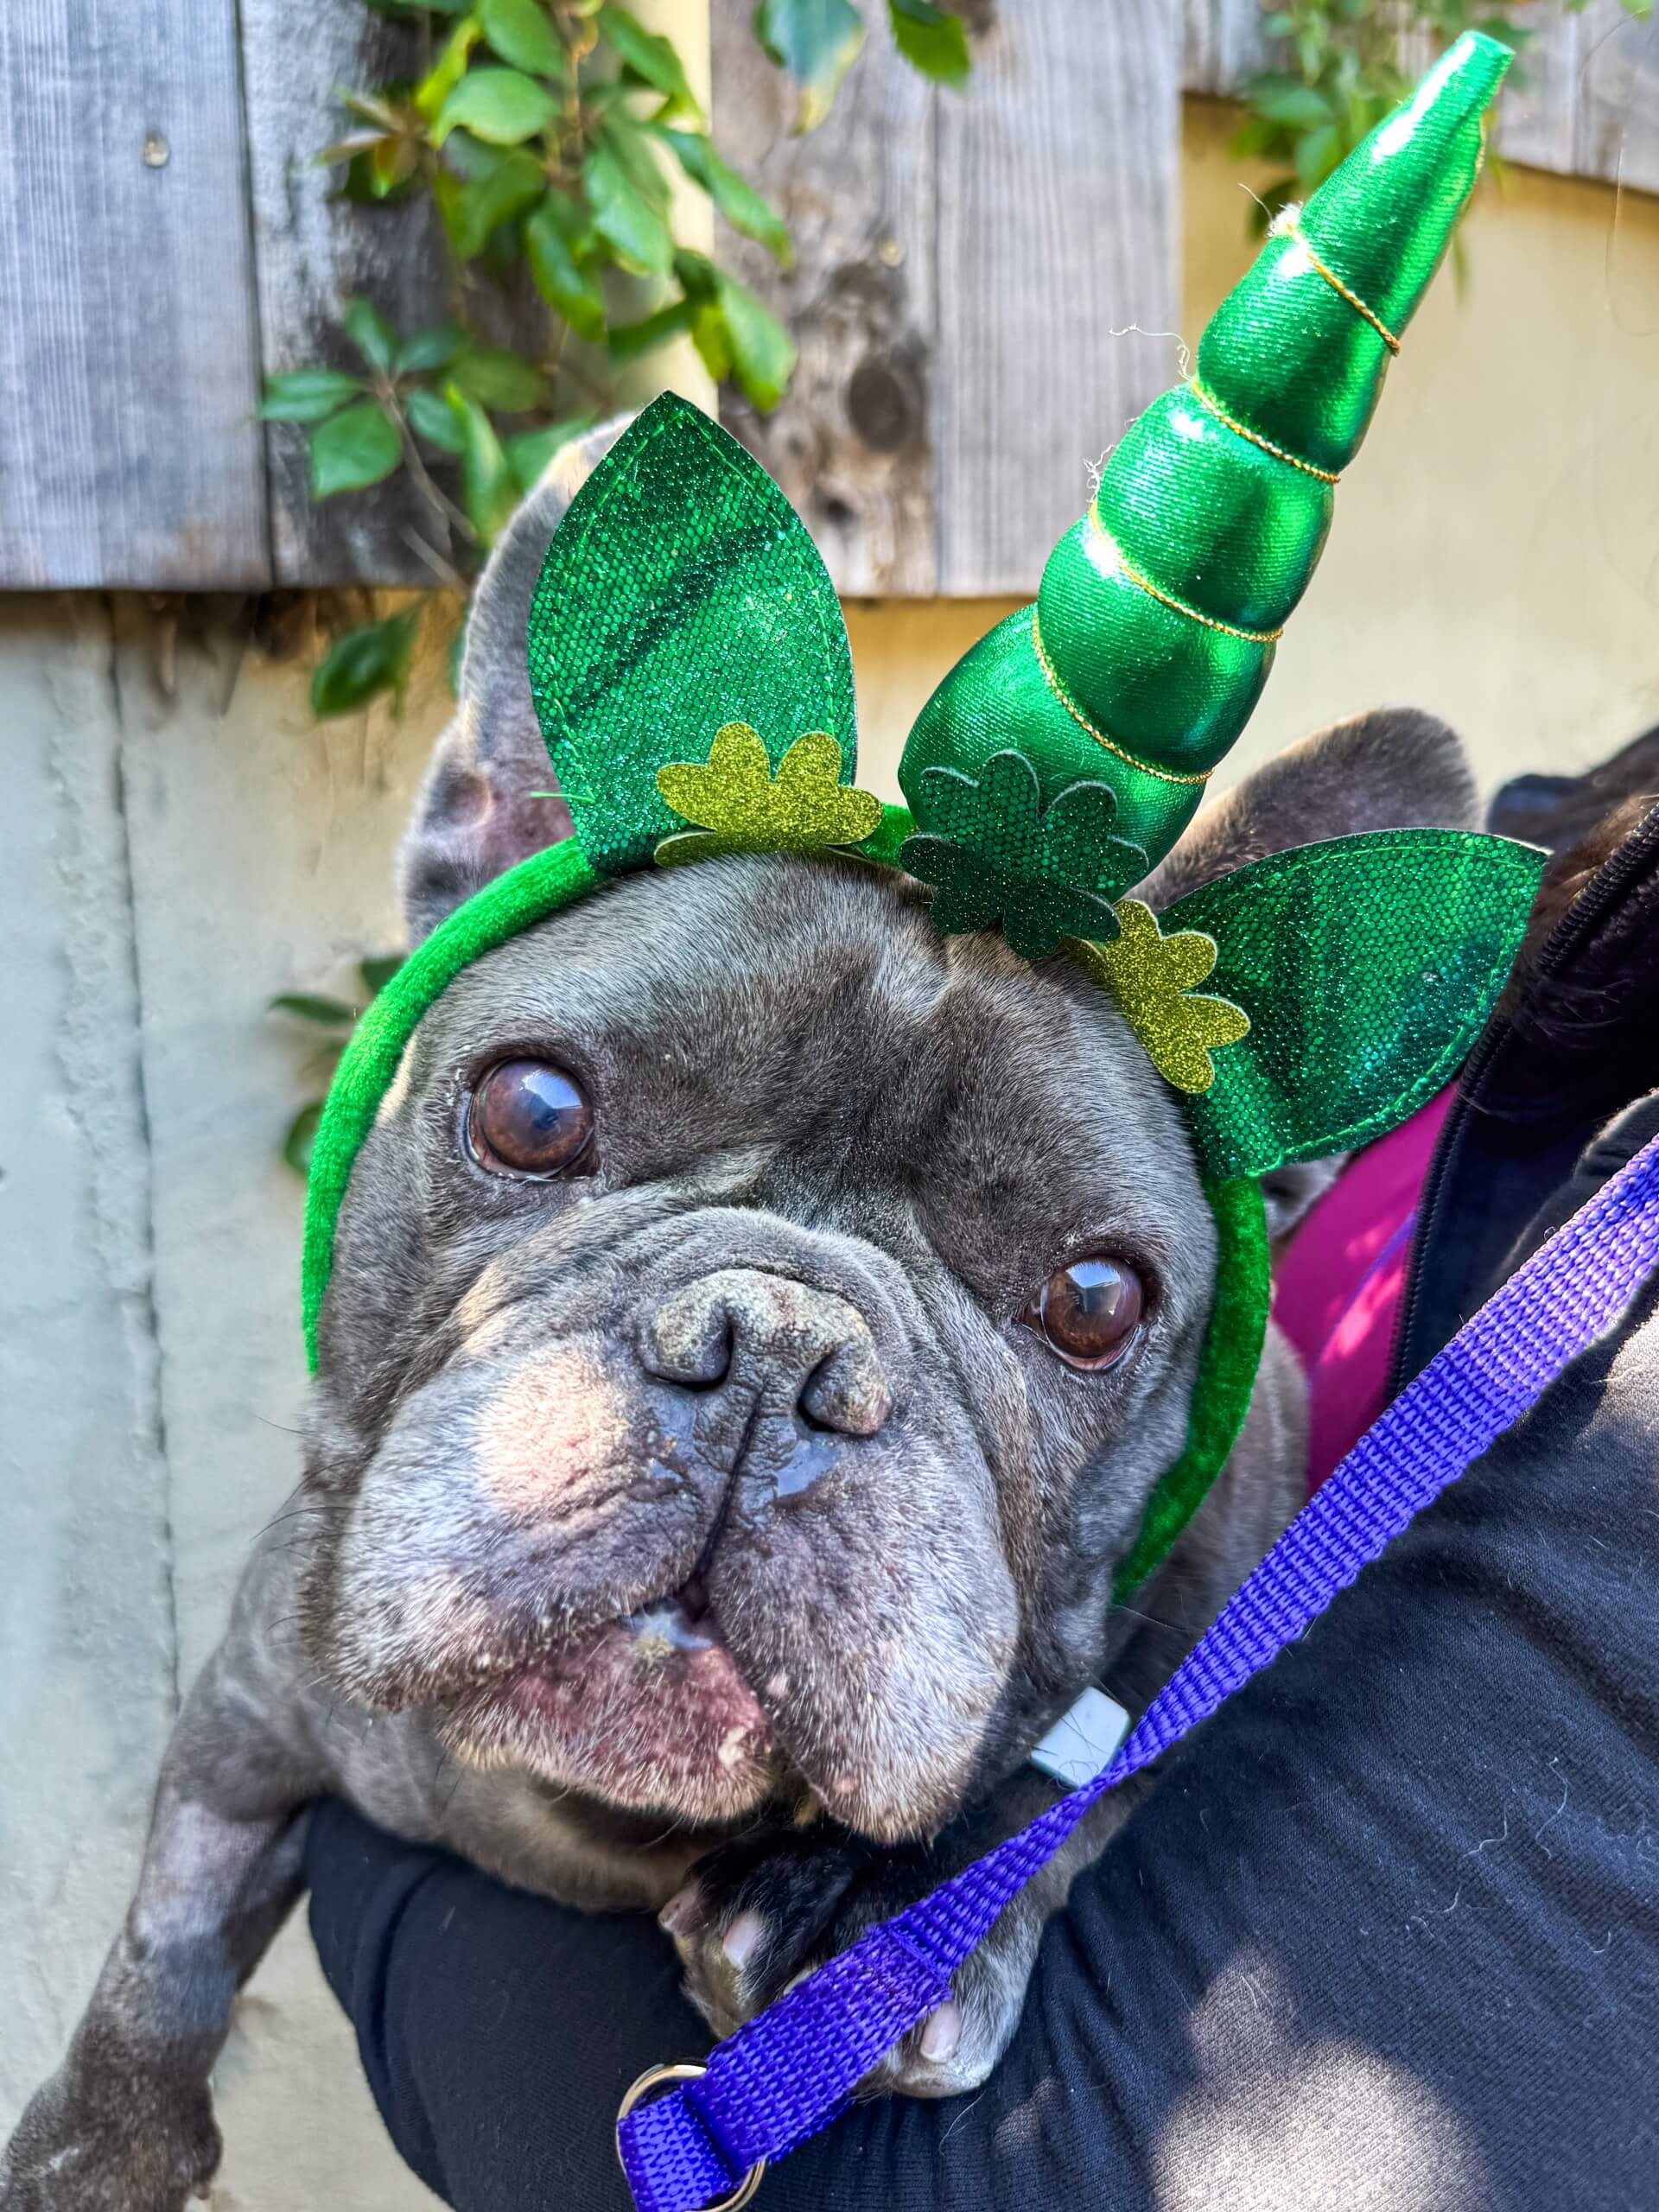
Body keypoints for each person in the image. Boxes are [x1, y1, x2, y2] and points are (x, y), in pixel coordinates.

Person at [305, 753, 1659, 2211]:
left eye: (1081, 1303)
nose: (762, 1369)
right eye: (541, 1122)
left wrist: (1025, 1827)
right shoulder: (1567, 865)